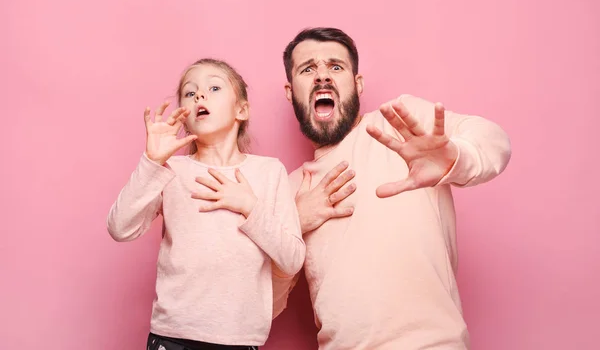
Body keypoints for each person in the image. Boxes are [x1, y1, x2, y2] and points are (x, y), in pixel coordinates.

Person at [272, 28, 512, 349]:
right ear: (291, 91)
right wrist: (292, 227)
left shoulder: (400, 123)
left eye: (336, 67)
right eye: (308, 69)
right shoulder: (289, 190)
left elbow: (492, 140)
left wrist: (455, 157)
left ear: (357, 84)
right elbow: (263, 307)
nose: (322, 77)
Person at [107, 58, 305, 350]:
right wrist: (152, 162)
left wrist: (249, 206)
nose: (200, 95)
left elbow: (292, 259)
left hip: (239, 339)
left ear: (241, 110)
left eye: (214, 87)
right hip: (173, 335)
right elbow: (120, 228)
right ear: (184, 116)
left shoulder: (269, 172)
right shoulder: (171, 170)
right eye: (190, 92)